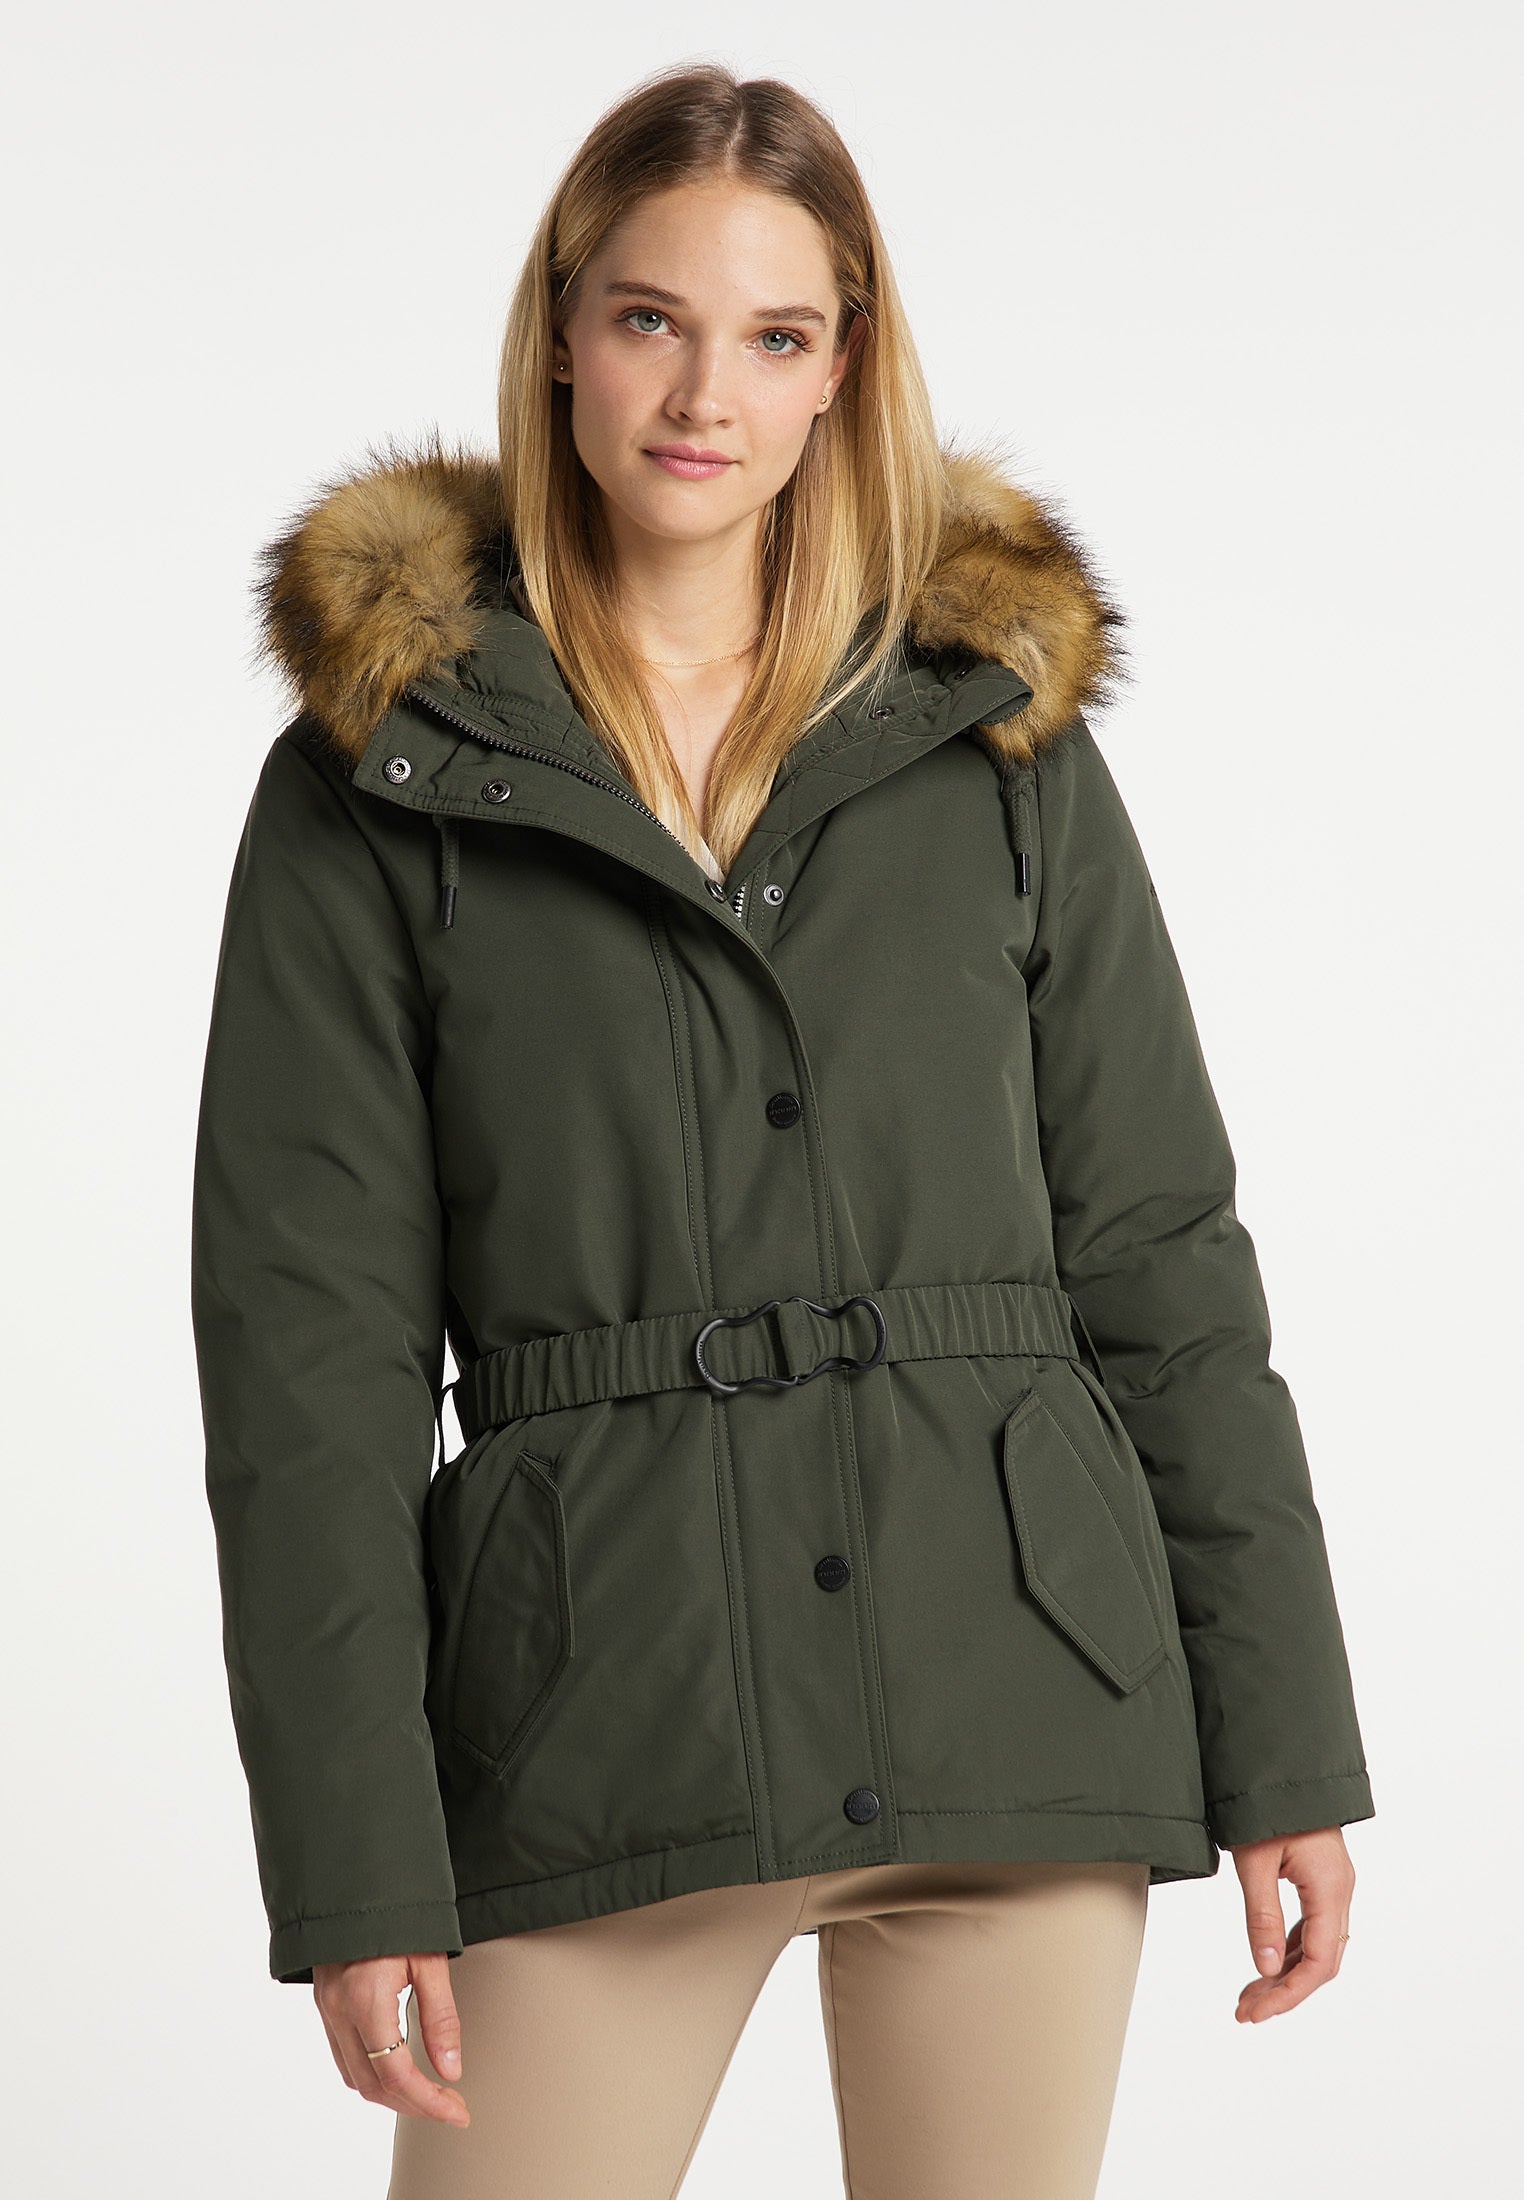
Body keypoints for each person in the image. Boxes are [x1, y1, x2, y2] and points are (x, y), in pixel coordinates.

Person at [190, 61, 1375, 2200]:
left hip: (1016, 1686)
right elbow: (310, 1362)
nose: (700, 394)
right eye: (650, 317)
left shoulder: (993, 739)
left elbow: (1162, 1253)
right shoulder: (384, 777)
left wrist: (1283, 1733)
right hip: (599, 1725)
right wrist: (356, 1858)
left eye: (774, 333)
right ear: (564, 329)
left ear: (843, 368)